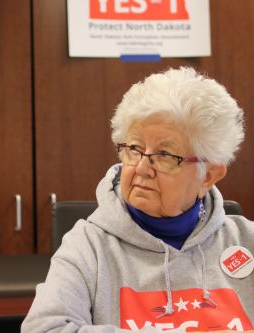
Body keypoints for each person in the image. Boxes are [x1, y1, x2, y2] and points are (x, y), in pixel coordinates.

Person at [22, 67, 254, 332]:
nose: (142, 167)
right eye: (134, 149)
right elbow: (44, 328)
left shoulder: (247, 241)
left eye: (165, 155)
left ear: (208, 176)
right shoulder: (89, 246)